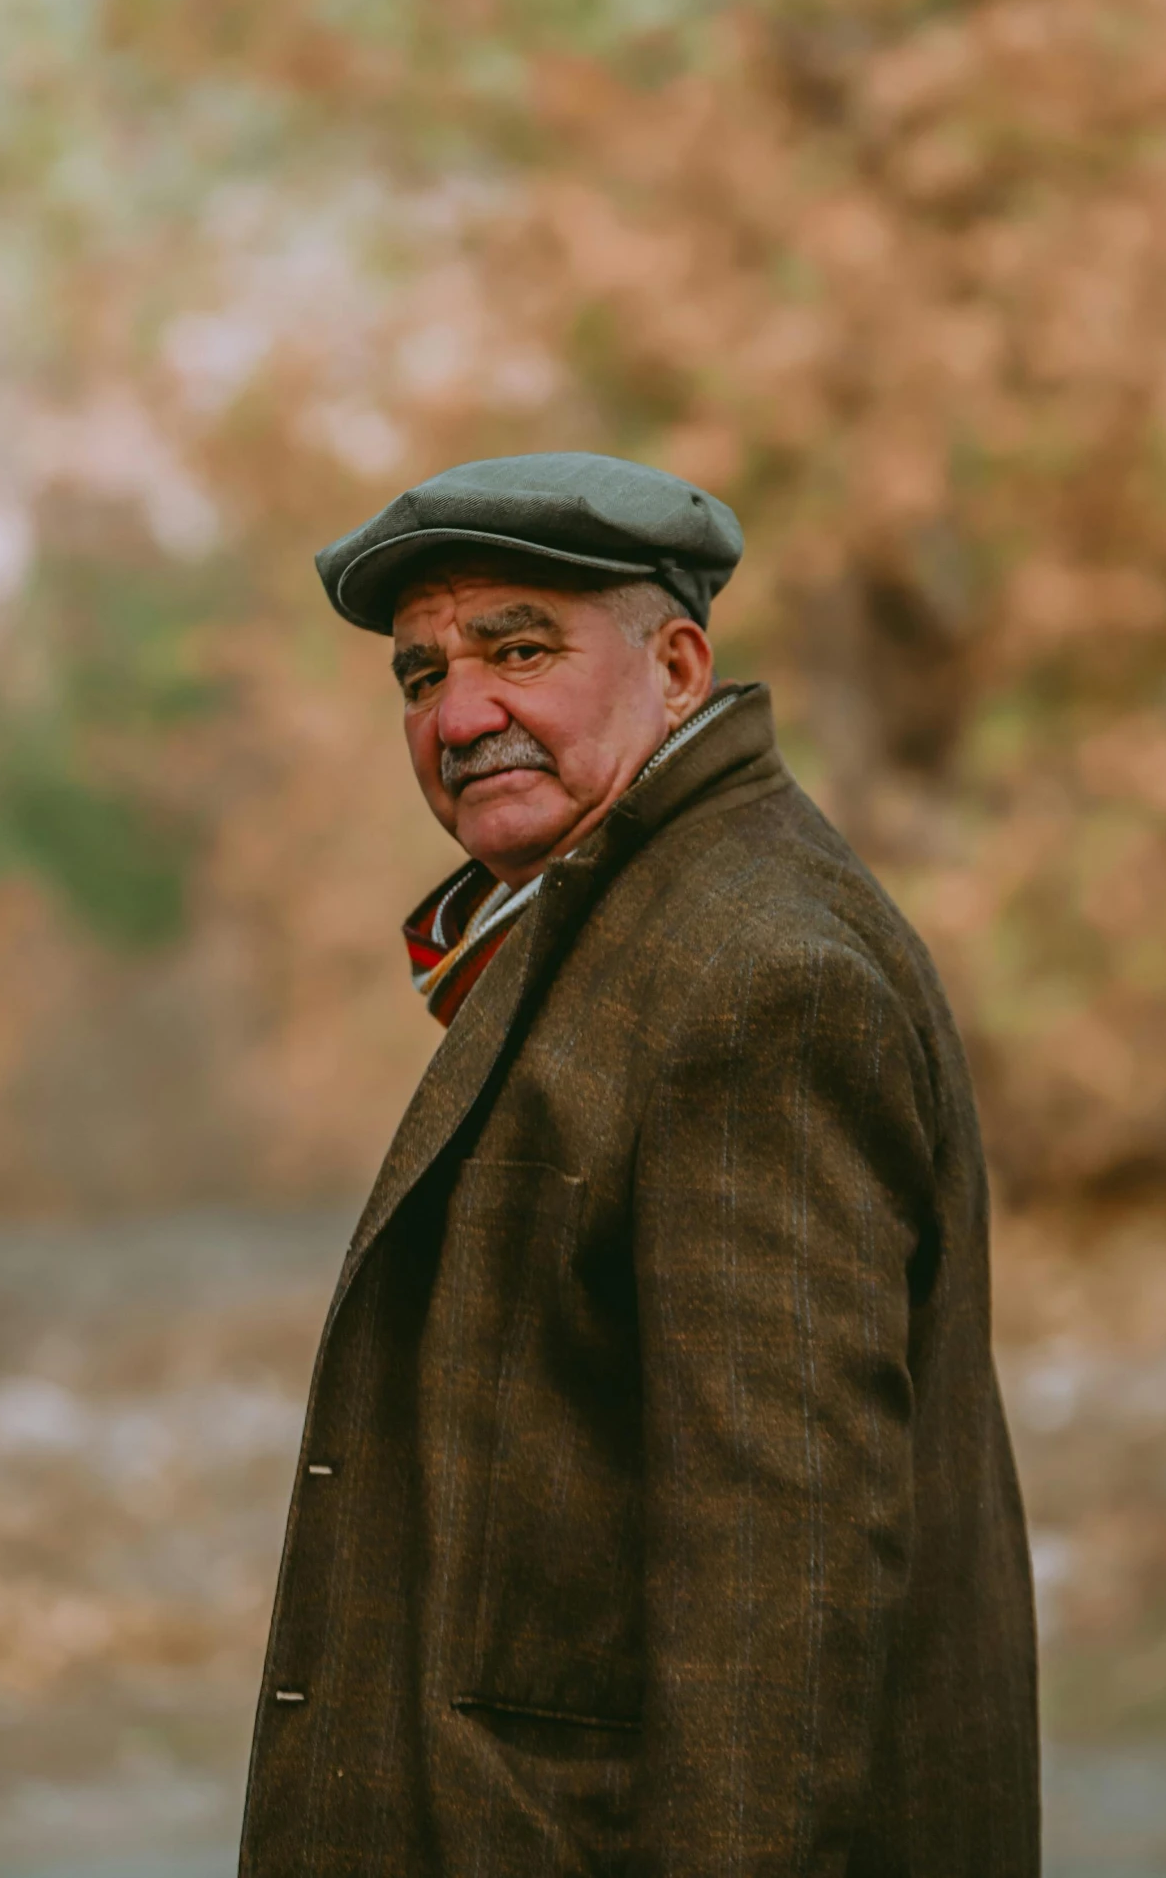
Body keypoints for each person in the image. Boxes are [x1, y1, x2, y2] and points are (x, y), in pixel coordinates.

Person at [239, 451, 1039, 1878]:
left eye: (518, 649)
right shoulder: (616, 921)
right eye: (420, 676)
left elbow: (775, 1606)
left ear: (676, 667)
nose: (460, 710)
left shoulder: (747, 976)